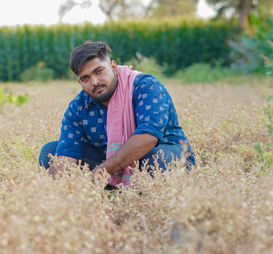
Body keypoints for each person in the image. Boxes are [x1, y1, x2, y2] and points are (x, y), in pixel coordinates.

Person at [39, 40, 195, 187]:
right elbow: (67, 155)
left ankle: (146, 195)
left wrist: (98, 174)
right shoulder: (77, 108)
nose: (94, 82)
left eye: (99, 71)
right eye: (86, 78)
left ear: (113, 67)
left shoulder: (145, 86)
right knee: (50, 152)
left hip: (162, 154)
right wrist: (64, 193)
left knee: (158, 157)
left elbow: (148, 137)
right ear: (80, 82)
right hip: (108, 162)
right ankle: (111, 192)